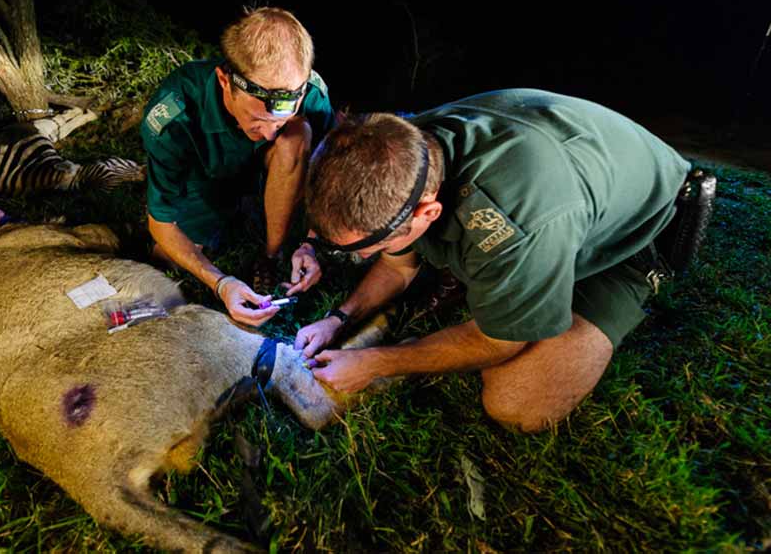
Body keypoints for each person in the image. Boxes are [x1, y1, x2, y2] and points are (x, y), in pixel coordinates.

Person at [295, 89, 692, 433]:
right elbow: (399, 265)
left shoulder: (516, 219)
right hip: (576, 175)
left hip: (637, 231)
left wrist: (376, 363)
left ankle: (640, 279)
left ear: (426, 212)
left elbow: (499, 340)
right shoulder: (404, 149)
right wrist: (339, 319)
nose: (360, 257)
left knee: (516, 404)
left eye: (363, 246)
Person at [140, 7, 335, 326]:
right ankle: (229, 215)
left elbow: (329, 177)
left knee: (297, 136)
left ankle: (270, 255)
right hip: (205, 180)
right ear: (224, 80)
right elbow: (161, 223)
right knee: (165, 260)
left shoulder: (311, 93)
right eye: (258, 120)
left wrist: (311, 242)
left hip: (273, 171)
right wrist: (221, 282)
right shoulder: (174, 113)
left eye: (280, 120)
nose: (271, 131)